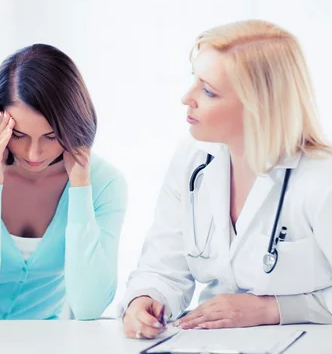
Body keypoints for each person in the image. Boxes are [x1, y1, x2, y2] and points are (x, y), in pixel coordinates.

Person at [121, 19, 332, 340]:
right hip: (212, 341)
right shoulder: (193, 159)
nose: (186, 98)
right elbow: (163, 266)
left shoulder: (320, 179)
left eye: (208, 91)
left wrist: (273, 309)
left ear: (259, 106)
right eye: (194, 80)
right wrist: (146, 298)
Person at [0, 44, 127, 321]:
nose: (34, 154)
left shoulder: (106, 183)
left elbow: (89, 306)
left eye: (51, 136)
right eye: (19, 135)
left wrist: (81, 185)